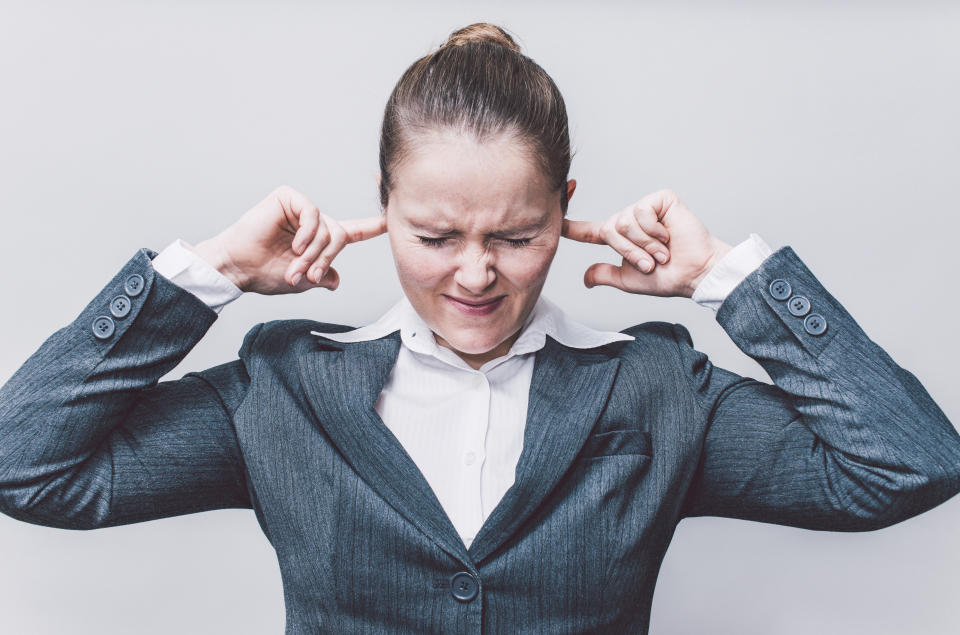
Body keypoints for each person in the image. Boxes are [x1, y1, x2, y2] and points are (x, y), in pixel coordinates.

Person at [1, 21, 958, 634]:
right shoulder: (283, 390)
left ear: (566, 207)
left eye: (517, 233)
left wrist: (726, 279)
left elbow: (911, 462)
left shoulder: (660, 391)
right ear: (382, 202)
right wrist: (202, 277)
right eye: (433, 233)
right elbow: (24, 465)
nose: (475, 273)